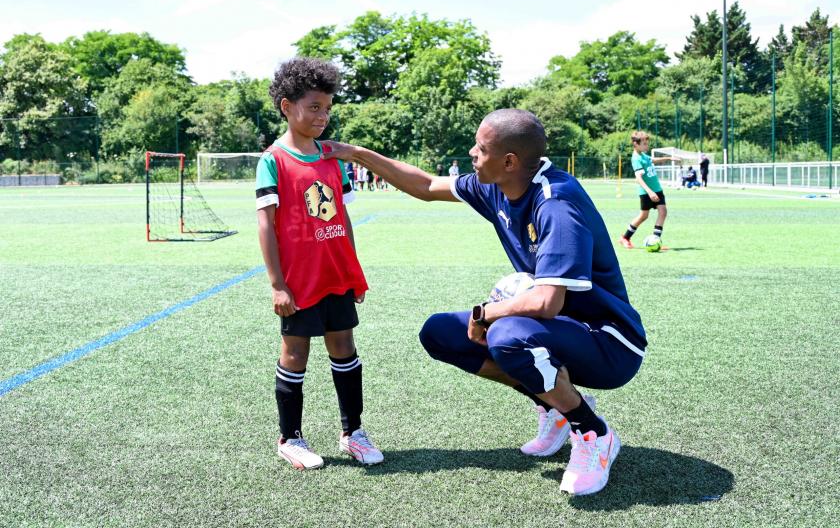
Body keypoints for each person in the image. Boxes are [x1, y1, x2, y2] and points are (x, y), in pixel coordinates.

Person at [323, 109, 647, 496]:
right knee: (440, 333)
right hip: (557, 330)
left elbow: (547, 301)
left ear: (509, 161)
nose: (472, 153)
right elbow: (427, 185)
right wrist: (356, 154)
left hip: (609, 343)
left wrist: (485, 313)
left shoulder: (556, 203)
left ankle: (592, 431)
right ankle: (557, 408)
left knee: (507, 336)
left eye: (481, 147)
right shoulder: (497, 184)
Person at [256, 57, 383, 470]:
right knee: (296, 353)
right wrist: (278, 285)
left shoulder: (333, 159)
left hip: (336, 275)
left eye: (327, 108)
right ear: (287, 106)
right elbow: (266, 225)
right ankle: (290, 437)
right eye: (314, 107)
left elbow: (342, 219)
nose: (322, 116)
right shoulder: (273, 160)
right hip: (299, 281)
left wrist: (354, 271)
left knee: (344, 347)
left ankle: (353, 433)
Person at [618, 131, 680, 249]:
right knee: (643, 216)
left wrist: (669, 158)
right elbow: (639, 178)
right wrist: (650, 192)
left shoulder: (643, 155)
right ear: (636, 144)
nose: (647, 146)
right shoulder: (636, 159)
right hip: (647, 192)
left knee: (663, 212)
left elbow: (653, 160)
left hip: (657, 190)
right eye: (644, 144)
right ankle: (625, 238)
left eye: (647, 143)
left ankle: (656, 240)